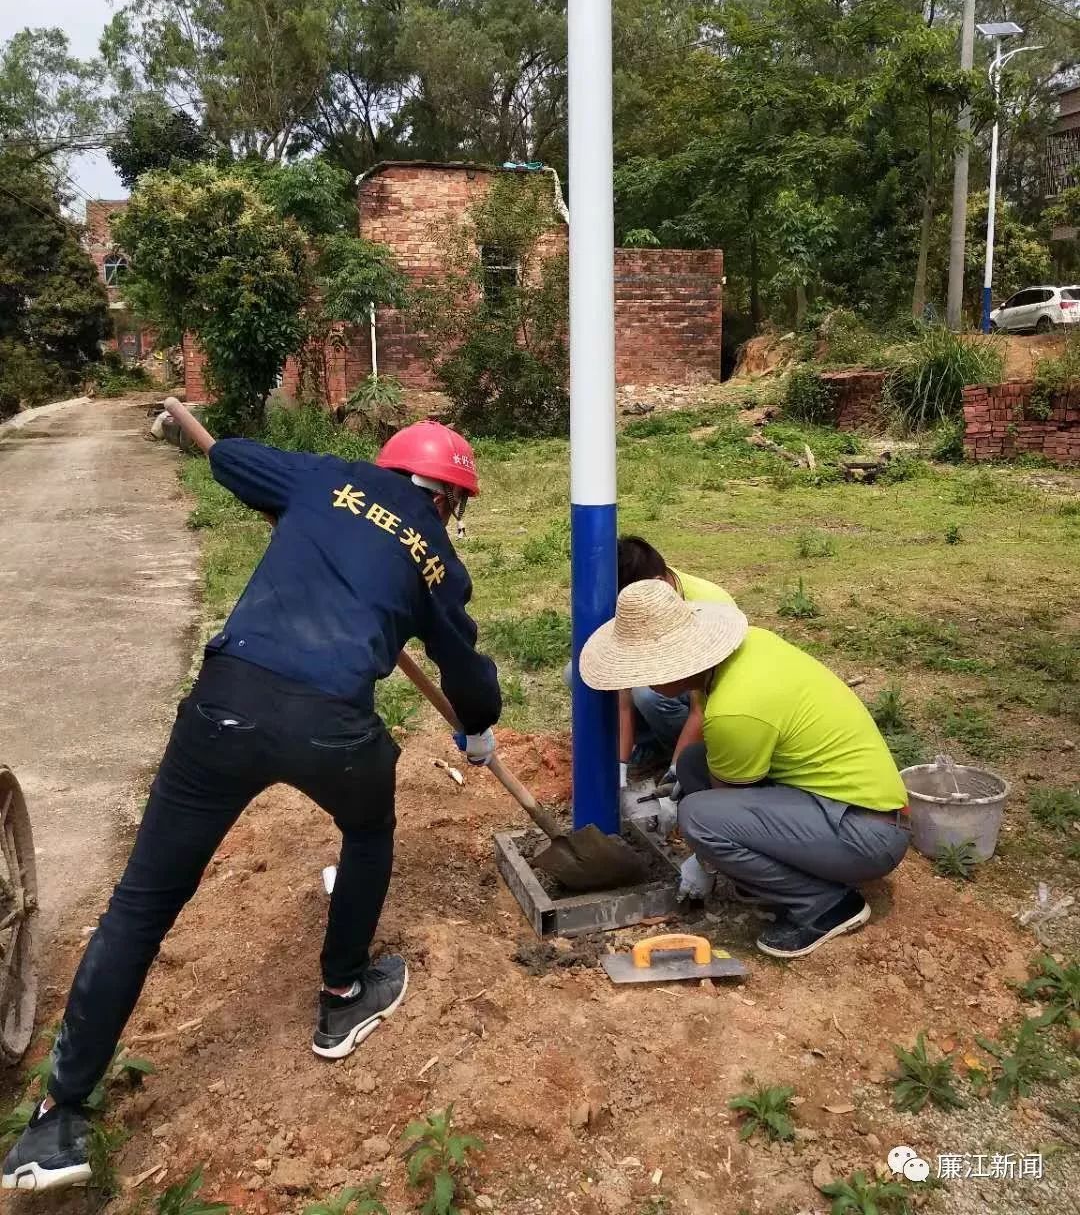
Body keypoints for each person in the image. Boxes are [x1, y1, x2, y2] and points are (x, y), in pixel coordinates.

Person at [3, 413, 501, 1193]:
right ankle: (342, 992)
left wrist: (286, 496)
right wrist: (479, 727)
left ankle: (56, 1120)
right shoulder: (437, 558)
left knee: (140, 905)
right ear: (448, 501)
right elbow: (468, 675)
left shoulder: (325, 477)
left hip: (224, 705)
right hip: (332, 725)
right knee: (369, 825)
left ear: (391, 468)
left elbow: (231, 460)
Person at [580, 580, 910, 960]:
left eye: (647, 669)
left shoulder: (735, 710)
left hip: (869, 834)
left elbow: (723, 805)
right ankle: (781, 872)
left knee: (699, 818)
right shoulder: (741, 653)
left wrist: (704, 860)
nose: (645, 680)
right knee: (692, 764)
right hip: (843, 807)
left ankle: (824, 905)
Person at [614, 537, 734, 791]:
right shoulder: (637, 597)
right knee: (577, 674)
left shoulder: (705, 609)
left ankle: (691, 757)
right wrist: (620, 765)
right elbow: (620, 687)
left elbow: (700, 709)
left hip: (720, 704)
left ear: (658, 585)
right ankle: (650, 747)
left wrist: (677, 771)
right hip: (679, 680)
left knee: (648, 695)